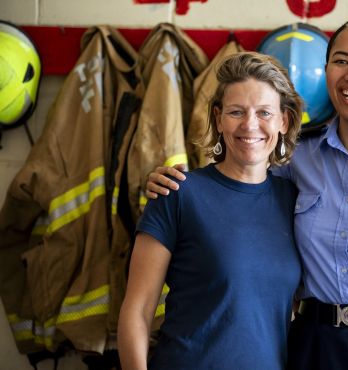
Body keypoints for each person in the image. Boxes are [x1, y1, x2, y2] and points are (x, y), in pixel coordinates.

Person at [145, 18, 348, 370]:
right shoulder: (295, 159)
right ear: (327, 71)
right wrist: (173, 182)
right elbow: (236, 183)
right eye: (342, 61)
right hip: (317, 343)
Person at [117, 51, 304, 370]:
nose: (250, 125)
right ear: (218, 118)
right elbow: (138, 309)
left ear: (284, 121)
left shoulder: (294, 200)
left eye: (264, 113)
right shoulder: (177, 192)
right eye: (236, 112)